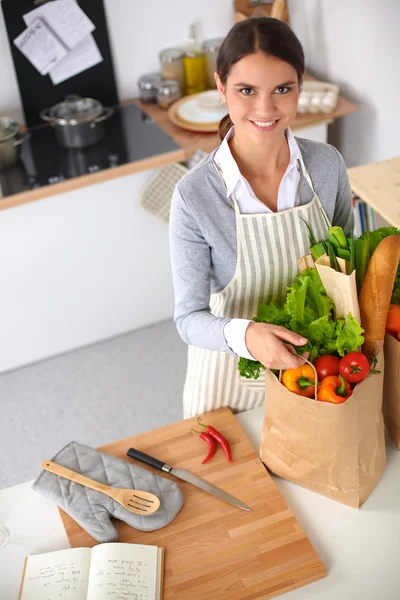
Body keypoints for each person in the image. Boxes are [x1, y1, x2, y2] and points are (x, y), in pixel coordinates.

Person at [169, 17, 352, 419]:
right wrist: (247, 335)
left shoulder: (326, 166)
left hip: (316, 372)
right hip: (228, 376)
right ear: (221, 87)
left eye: (282, 89)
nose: (265, 109)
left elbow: (346, 269)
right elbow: (188, 318)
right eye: (246, 90)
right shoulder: (195, 195)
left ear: (300, 87)